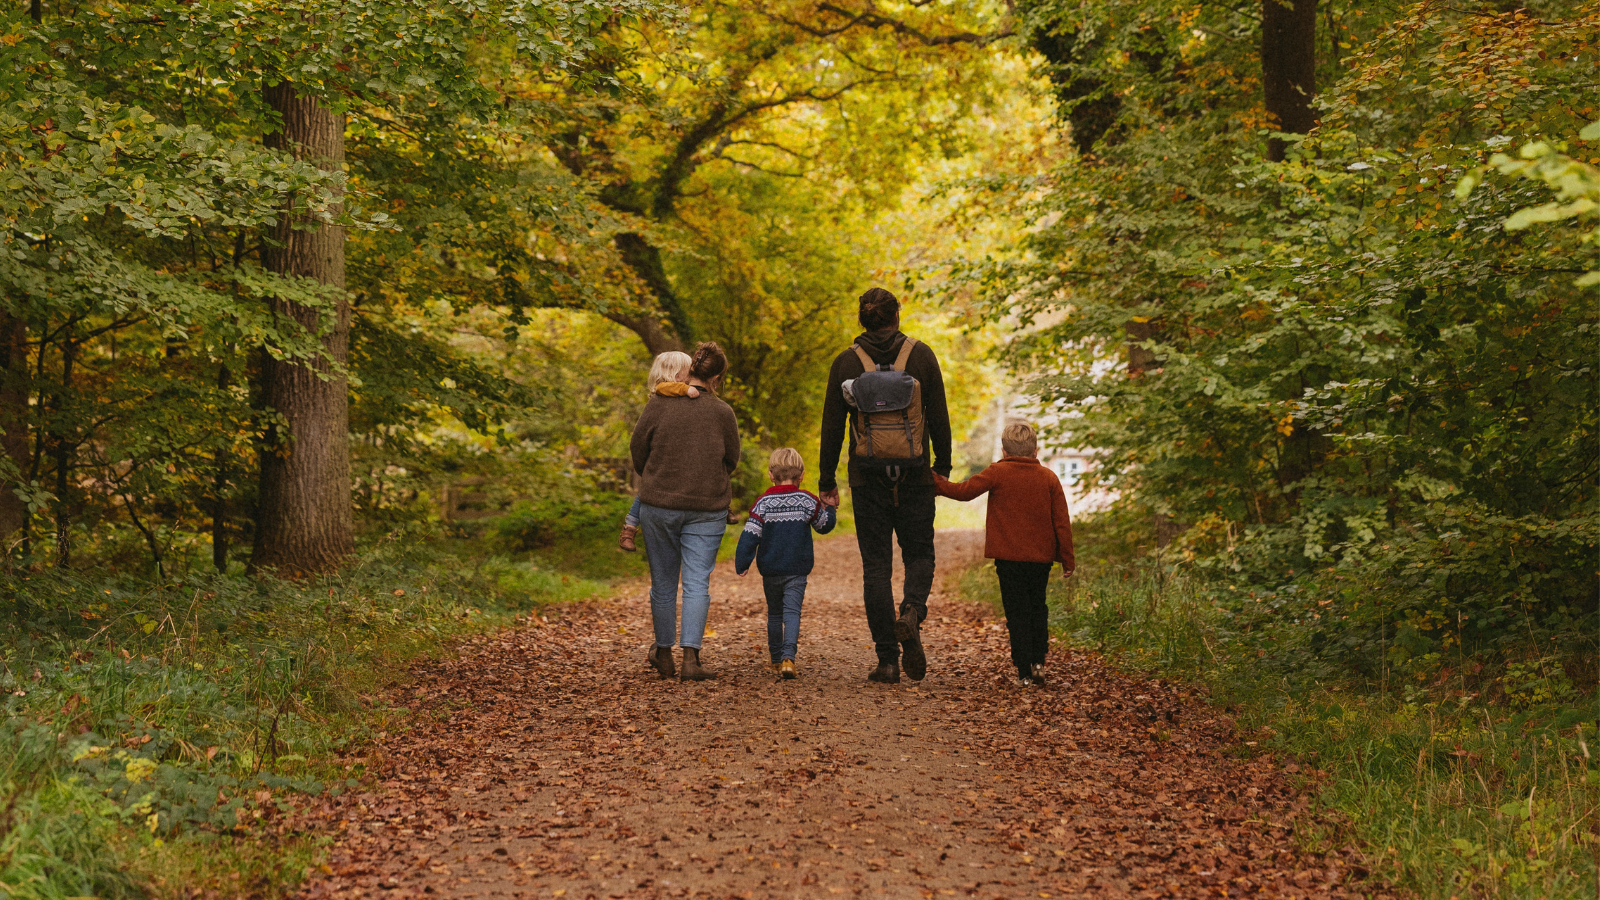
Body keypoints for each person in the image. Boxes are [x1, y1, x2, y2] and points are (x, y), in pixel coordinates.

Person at [818, 287, 952, 684]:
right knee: (919, 553)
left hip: (868, 476)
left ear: (862, 318)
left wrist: (827, 479)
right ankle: (911, 611)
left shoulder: (847, 362)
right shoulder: (921, 356)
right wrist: (941, 467)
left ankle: (888, 661)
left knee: (876, 567)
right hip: (915, 474)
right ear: (897, 315)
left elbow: (832, 426)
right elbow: (939, 416)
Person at [932, 421, 1075, 686]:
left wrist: (937, 483)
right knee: (1037, 607)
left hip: (1008, 560)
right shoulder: (1049, 478)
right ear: (1035, 450)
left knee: (1016, 612)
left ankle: (1023, 672)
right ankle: (1039, 661)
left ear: (1004, 451)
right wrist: (1067, 557)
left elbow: (964, 492)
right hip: (1040, 560)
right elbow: (1061, 522)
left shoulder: (997, 472)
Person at [629, 342, 740, 681]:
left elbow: (638, 450)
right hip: (707, 507)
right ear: (717, 378)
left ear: (692, 370)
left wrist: (657, 476)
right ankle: (691, 659)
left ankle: (664, 654)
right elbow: (731, 459)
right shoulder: (723, 412)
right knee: (696, 583)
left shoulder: (658, 405)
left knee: (663, 582)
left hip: (659, 506)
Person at [734, 448, 837, 679]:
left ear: (771, 475)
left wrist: (742, 562)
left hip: (770, 570)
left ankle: (775, 660)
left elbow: (750, 535)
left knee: (774, 614)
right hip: (797, 569)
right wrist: (830, 508)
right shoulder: (807, 500)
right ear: (801, 475)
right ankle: (788, 659)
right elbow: (824, 525)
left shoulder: (762, 503)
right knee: (792, 612)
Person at [619, 351, 699, 553]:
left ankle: (630, 526)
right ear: (676, 374)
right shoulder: (665, 390)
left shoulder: (671, 394)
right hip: (661, 469)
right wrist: (687, 389)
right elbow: (638, 444)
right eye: (688, 371)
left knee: (645, 492)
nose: (692, 375)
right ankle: (629, 527)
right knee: (646, 492)